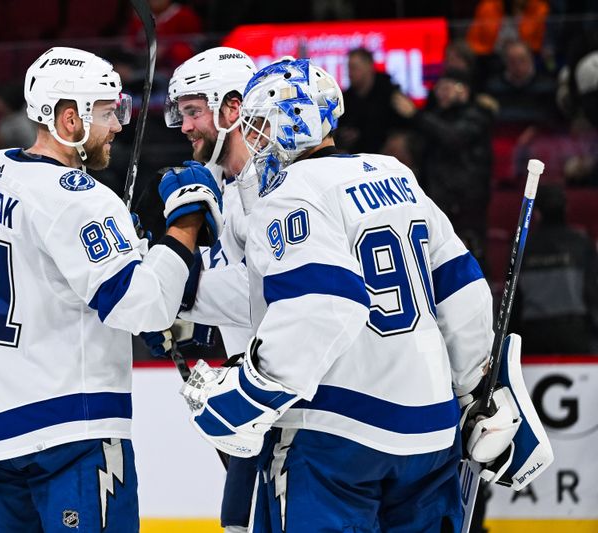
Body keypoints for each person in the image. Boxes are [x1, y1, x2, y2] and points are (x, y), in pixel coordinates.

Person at [180, 58, 547, 531]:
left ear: (289, 125)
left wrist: (247, 395)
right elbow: (462, 287)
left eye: (260, 126)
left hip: (340, 436)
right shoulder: (394, 172)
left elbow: (323, 305)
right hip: (431, 434)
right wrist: (473, 389)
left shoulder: (289, 194)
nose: (254, 140)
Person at [0, 46, 222, 532]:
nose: (119, 125)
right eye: (107, 112)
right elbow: (144, 308)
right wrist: (183, 225)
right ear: (69, 119)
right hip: (66, 432)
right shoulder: (80, 199)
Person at [150, 46, 257, 533]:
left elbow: (268, 293)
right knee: (238, 521)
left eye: (193, 111)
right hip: (250, 387)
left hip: (295, 398)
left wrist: (176, 294)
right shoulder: (223, 185)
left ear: (232, 108)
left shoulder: (271, 186)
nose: (184, 126)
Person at [392, 68, 494, 271]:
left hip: (467, 203)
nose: (442, 93)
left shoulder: (477, 115)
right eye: (440, 88)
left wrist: (416, 115)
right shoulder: (435, 116)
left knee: (470, 260)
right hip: (438, 200)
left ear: (463, 90)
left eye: (448, 87)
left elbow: (454, 138)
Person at [514, 185, 598, 352]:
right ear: (566, 208)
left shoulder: (523, 247)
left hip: (533, 337)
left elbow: (514, 300)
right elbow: (592, 292)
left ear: (536, 213)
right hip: (575, 334)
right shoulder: (581, 243)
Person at [335, 47, 404, 155]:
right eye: (348, 68)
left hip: (386, 156)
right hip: (356, 156)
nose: (350, 73)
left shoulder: (390, 94)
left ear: (369, 67)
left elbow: (402, 128)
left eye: (354, 68)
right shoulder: (345, 99)